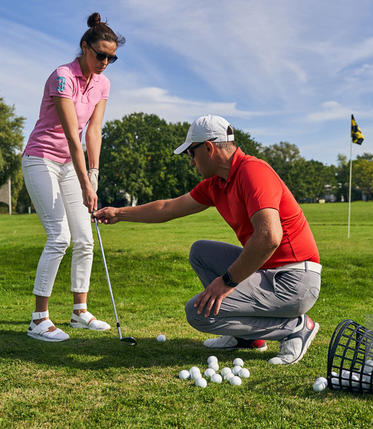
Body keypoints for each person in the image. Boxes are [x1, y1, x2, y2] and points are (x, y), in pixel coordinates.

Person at [94, 115, 321, 364]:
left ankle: (295, 327)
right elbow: (167, 208)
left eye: (191, 154)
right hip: (268, 272)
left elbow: (269, 237)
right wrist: (118, 213)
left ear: (209, 148)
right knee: (200, 251)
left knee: (199, 314)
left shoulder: (253, 172)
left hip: (294, 281)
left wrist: (226, 282)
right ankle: (246, 337)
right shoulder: (216, 184)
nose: (191, 163)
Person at [22, 13, 125, 342]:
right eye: (100, 55)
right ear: (84, 47)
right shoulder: (62, 77)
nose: (105, 62)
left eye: (112, 57)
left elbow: (93, 131)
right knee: (59, 237)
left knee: (85, 238)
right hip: (41, 159)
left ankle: (79, 312)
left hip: (71, 164)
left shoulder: (103, 83)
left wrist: (93, 175)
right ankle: (39, 319)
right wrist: (85, 182)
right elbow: (71, 136)